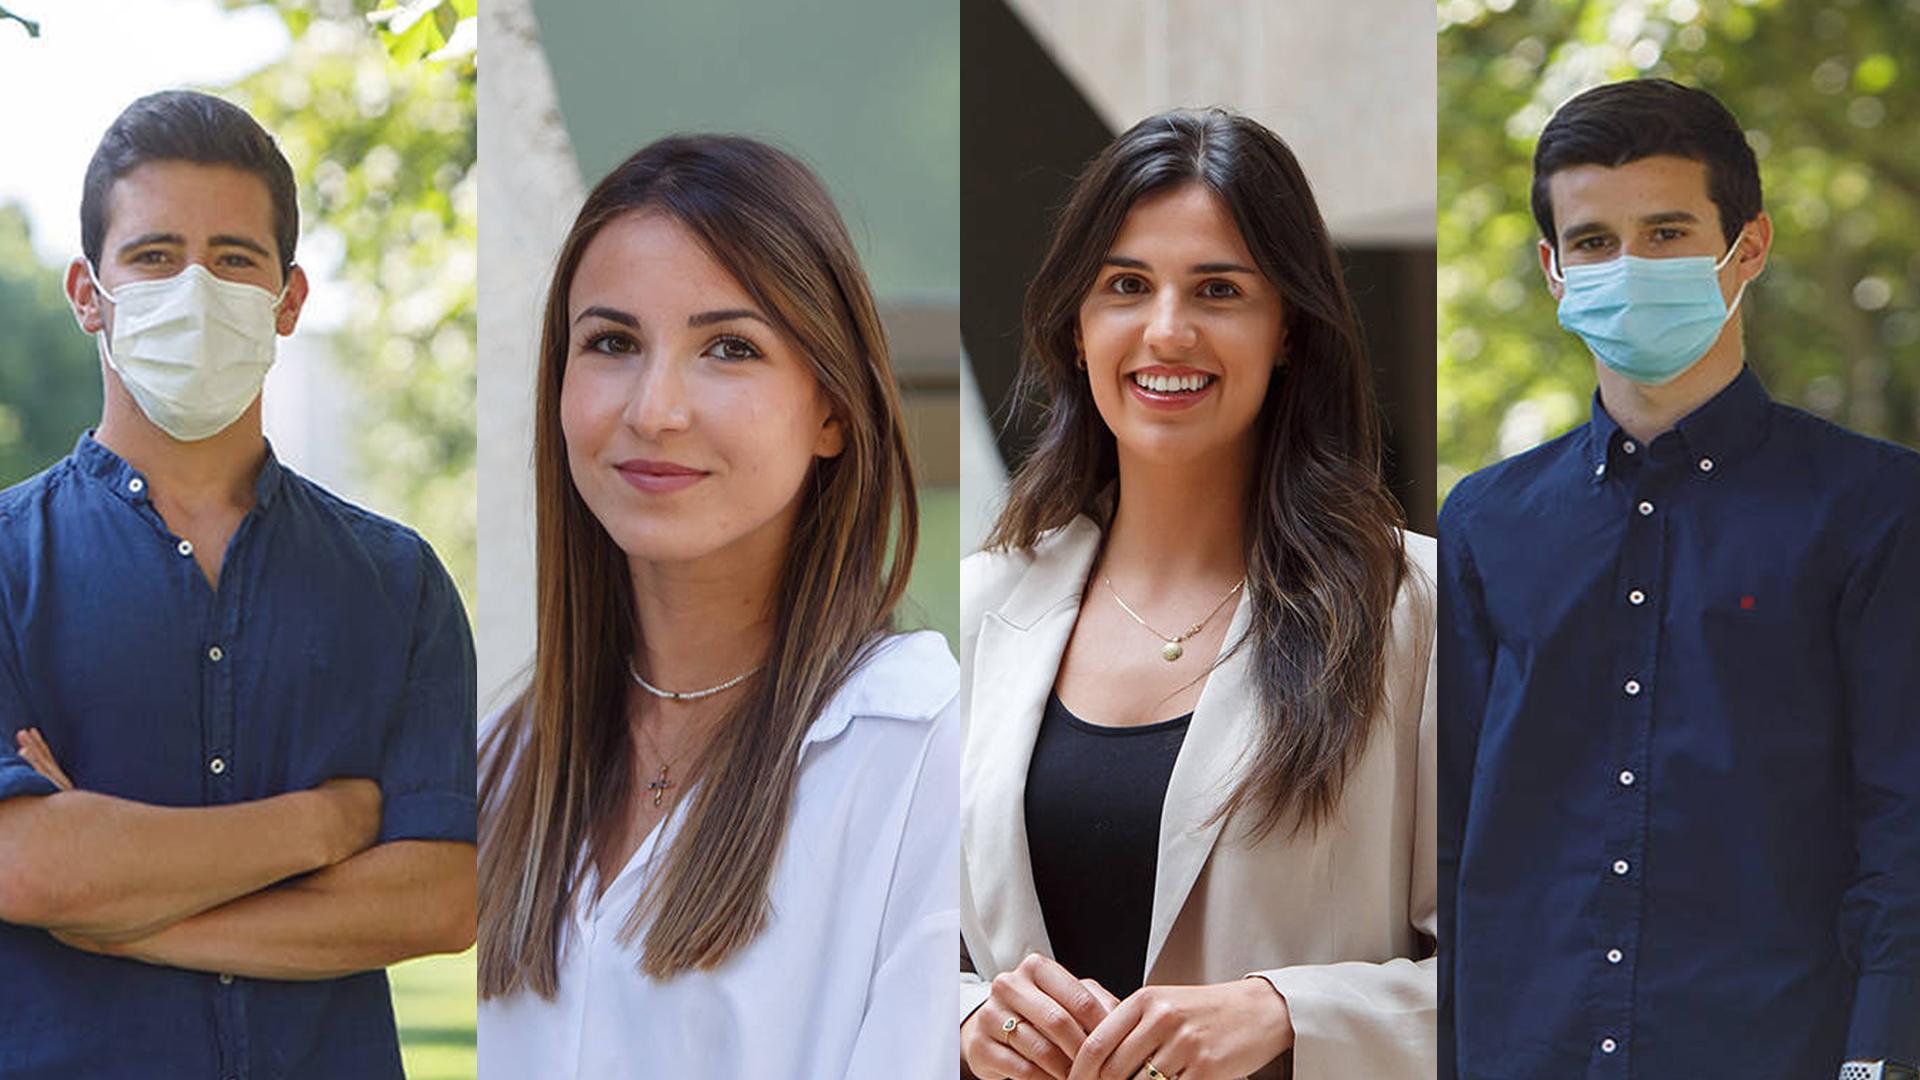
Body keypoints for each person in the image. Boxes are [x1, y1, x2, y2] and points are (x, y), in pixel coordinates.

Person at [1439, 78, 1920, 1079]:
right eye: (1595, 243)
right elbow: (1447, 847)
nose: (1629, 267)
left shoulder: (1877, 508)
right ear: (1553, 269)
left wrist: (1879, 1060)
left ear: (1746, 249)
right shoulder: (1483, 525)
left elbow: (1905, 833)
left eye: (1665, 233)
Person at [0, 90, 477, 1078]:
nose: (195, 288)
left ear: (288, 299)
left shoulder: (398, 584)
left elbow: (440, 899)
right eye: (155, 255)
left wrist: (119, 915)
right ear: (89, 292)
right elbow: (26, 866)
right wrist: (325, 824)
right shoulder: (8, 565)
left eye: (232, 259)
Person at [959, 108, 1436, 1080]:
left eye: (1218, 290)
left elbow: (1522, 968)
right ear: (1077, 324)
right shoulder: (977, 612)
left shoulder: (1416, 609)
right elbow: (877, 955)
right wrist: (968, 1020)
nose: (1166, 331)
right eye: (1126, 286)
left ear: (1289, 328)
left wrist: (1288, 1015)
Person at [475, 134, 959, 1079]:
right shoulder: (498, 765)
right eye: (612, 343)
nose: (654, 408)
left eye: (728, 348)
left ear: (832, 408)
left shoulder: (920, 749)